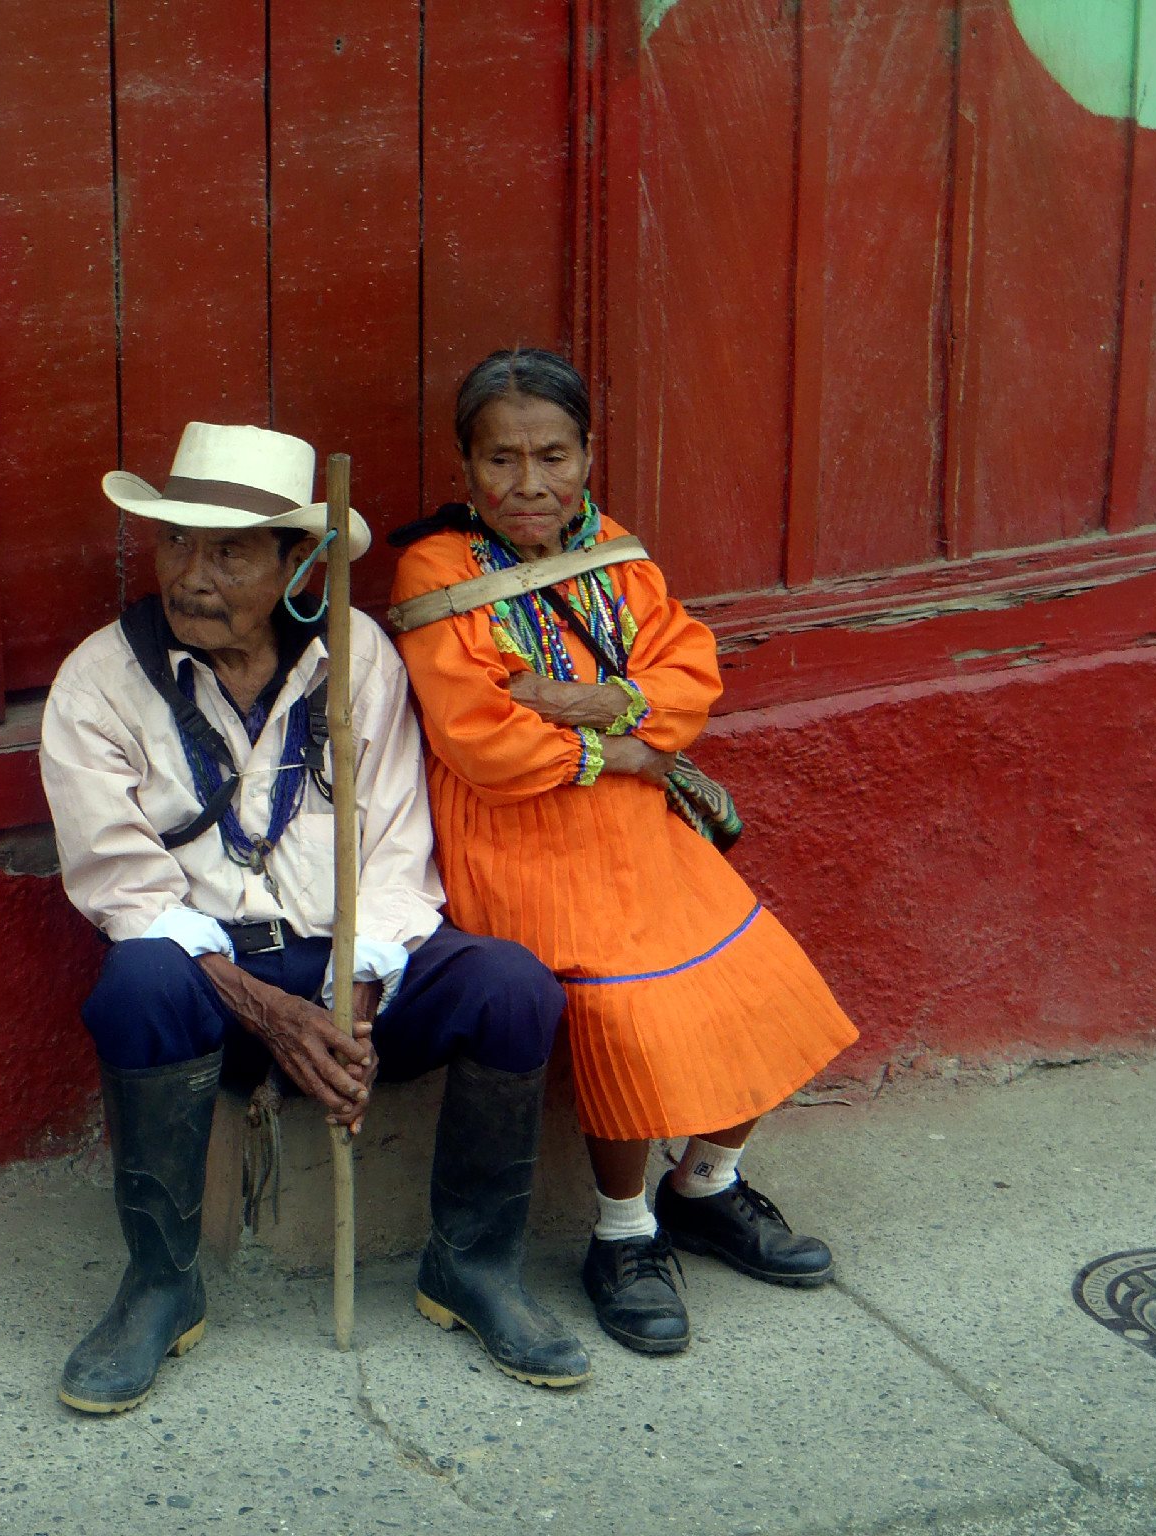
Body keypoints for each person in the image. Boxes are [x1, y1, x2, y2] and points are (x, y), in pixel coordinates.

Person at [40, 421, 587, 1413]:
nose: (191, 575)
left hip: (349, 972)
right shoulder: (98, 683)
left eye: (230, 552)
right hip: (211, 988)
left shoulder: (355, 656)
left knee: (512, 990)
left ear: (300, 561)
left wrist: (354, 1002)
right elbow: (125, 892)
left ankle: (472, 1266)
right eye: (175, 544)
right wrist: (273, 1015)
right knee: (135, 986)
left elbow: (393, 852)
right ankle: (160, 1287)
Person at [387, 349, 859, 1356]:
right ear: (464, 465)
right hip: (520, 839)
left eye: (550, 455)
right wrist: (625, 736)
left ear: (587, 454)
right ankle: (621, 1235)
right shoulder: (433, 568)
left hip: (633, 819)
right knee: (625, 1009)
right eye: (500, 459)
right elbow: (482, 741)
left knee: (765, 982)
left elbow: (685, 674)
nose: (527, 484)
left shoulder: (614, 551)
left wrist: (597, 703)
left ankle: (703, 1185)